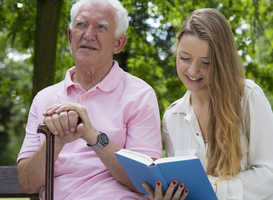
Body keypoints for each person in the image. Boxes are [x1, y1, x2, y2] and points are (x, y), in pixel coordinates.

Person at [17, 0, 162, 199]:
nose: (88, 34)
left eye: (101, 27)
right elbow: (27, 183)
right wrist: (55, 141)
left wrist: (93, 136)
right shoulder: (44, 99)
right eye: (81, 25)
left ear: (118, 43)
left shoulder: (140, 95)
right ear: (70, 35)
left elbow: (146, 182)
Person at [142, 8, 273, 200]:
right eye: (184, 58)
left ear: (222, 62)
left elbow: (269, 175)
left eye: (206, 63)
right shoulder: (172, 116)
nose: (193, 71)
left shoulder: (248, 96)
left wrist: (211, 188)